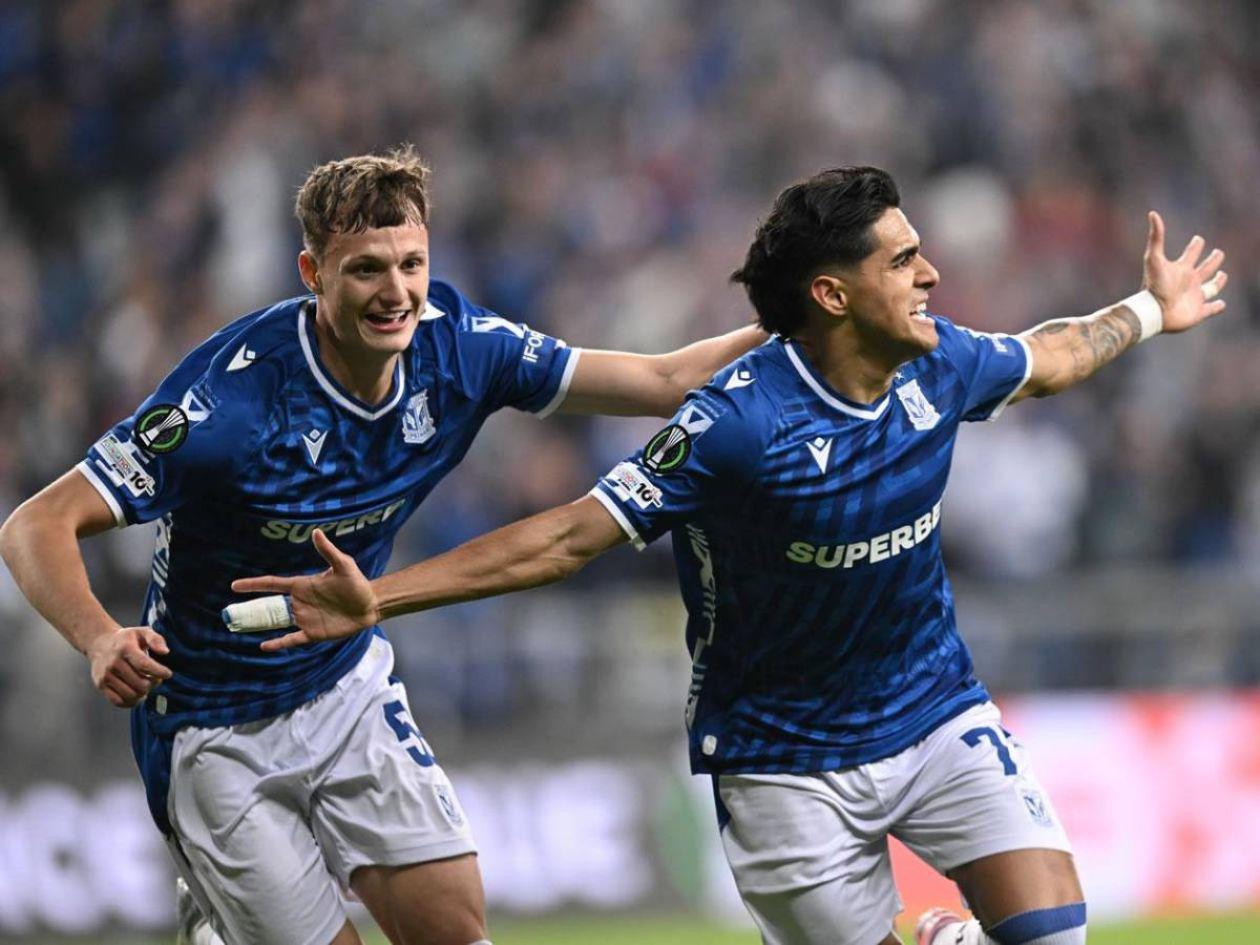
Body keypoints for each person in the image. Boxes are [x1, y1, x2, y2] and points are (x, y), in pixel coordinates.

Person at [232, 166, 1228, 945]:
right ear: (832, 294)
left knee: (1056, 933)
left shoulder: (942, 364)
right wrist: (380, 597)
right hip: (783, 766)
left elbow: (1053, 356)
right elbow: (571, 535)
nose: (930, 276)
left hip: (935, 715)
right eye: (903, 261)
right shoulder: (735, 425)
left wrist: (1149, 311)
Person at [0, 145, 767, 945]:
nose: (396, 292)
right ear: (312, 273)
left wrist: (799, 322)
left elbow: (663, 381)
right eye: (366, 269)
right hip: (212, 725)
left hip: (343, 685)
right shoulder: (229, 404)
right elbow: (34, 524)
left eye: (411, 264)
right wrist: (98, 636)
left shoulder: (461, 348)